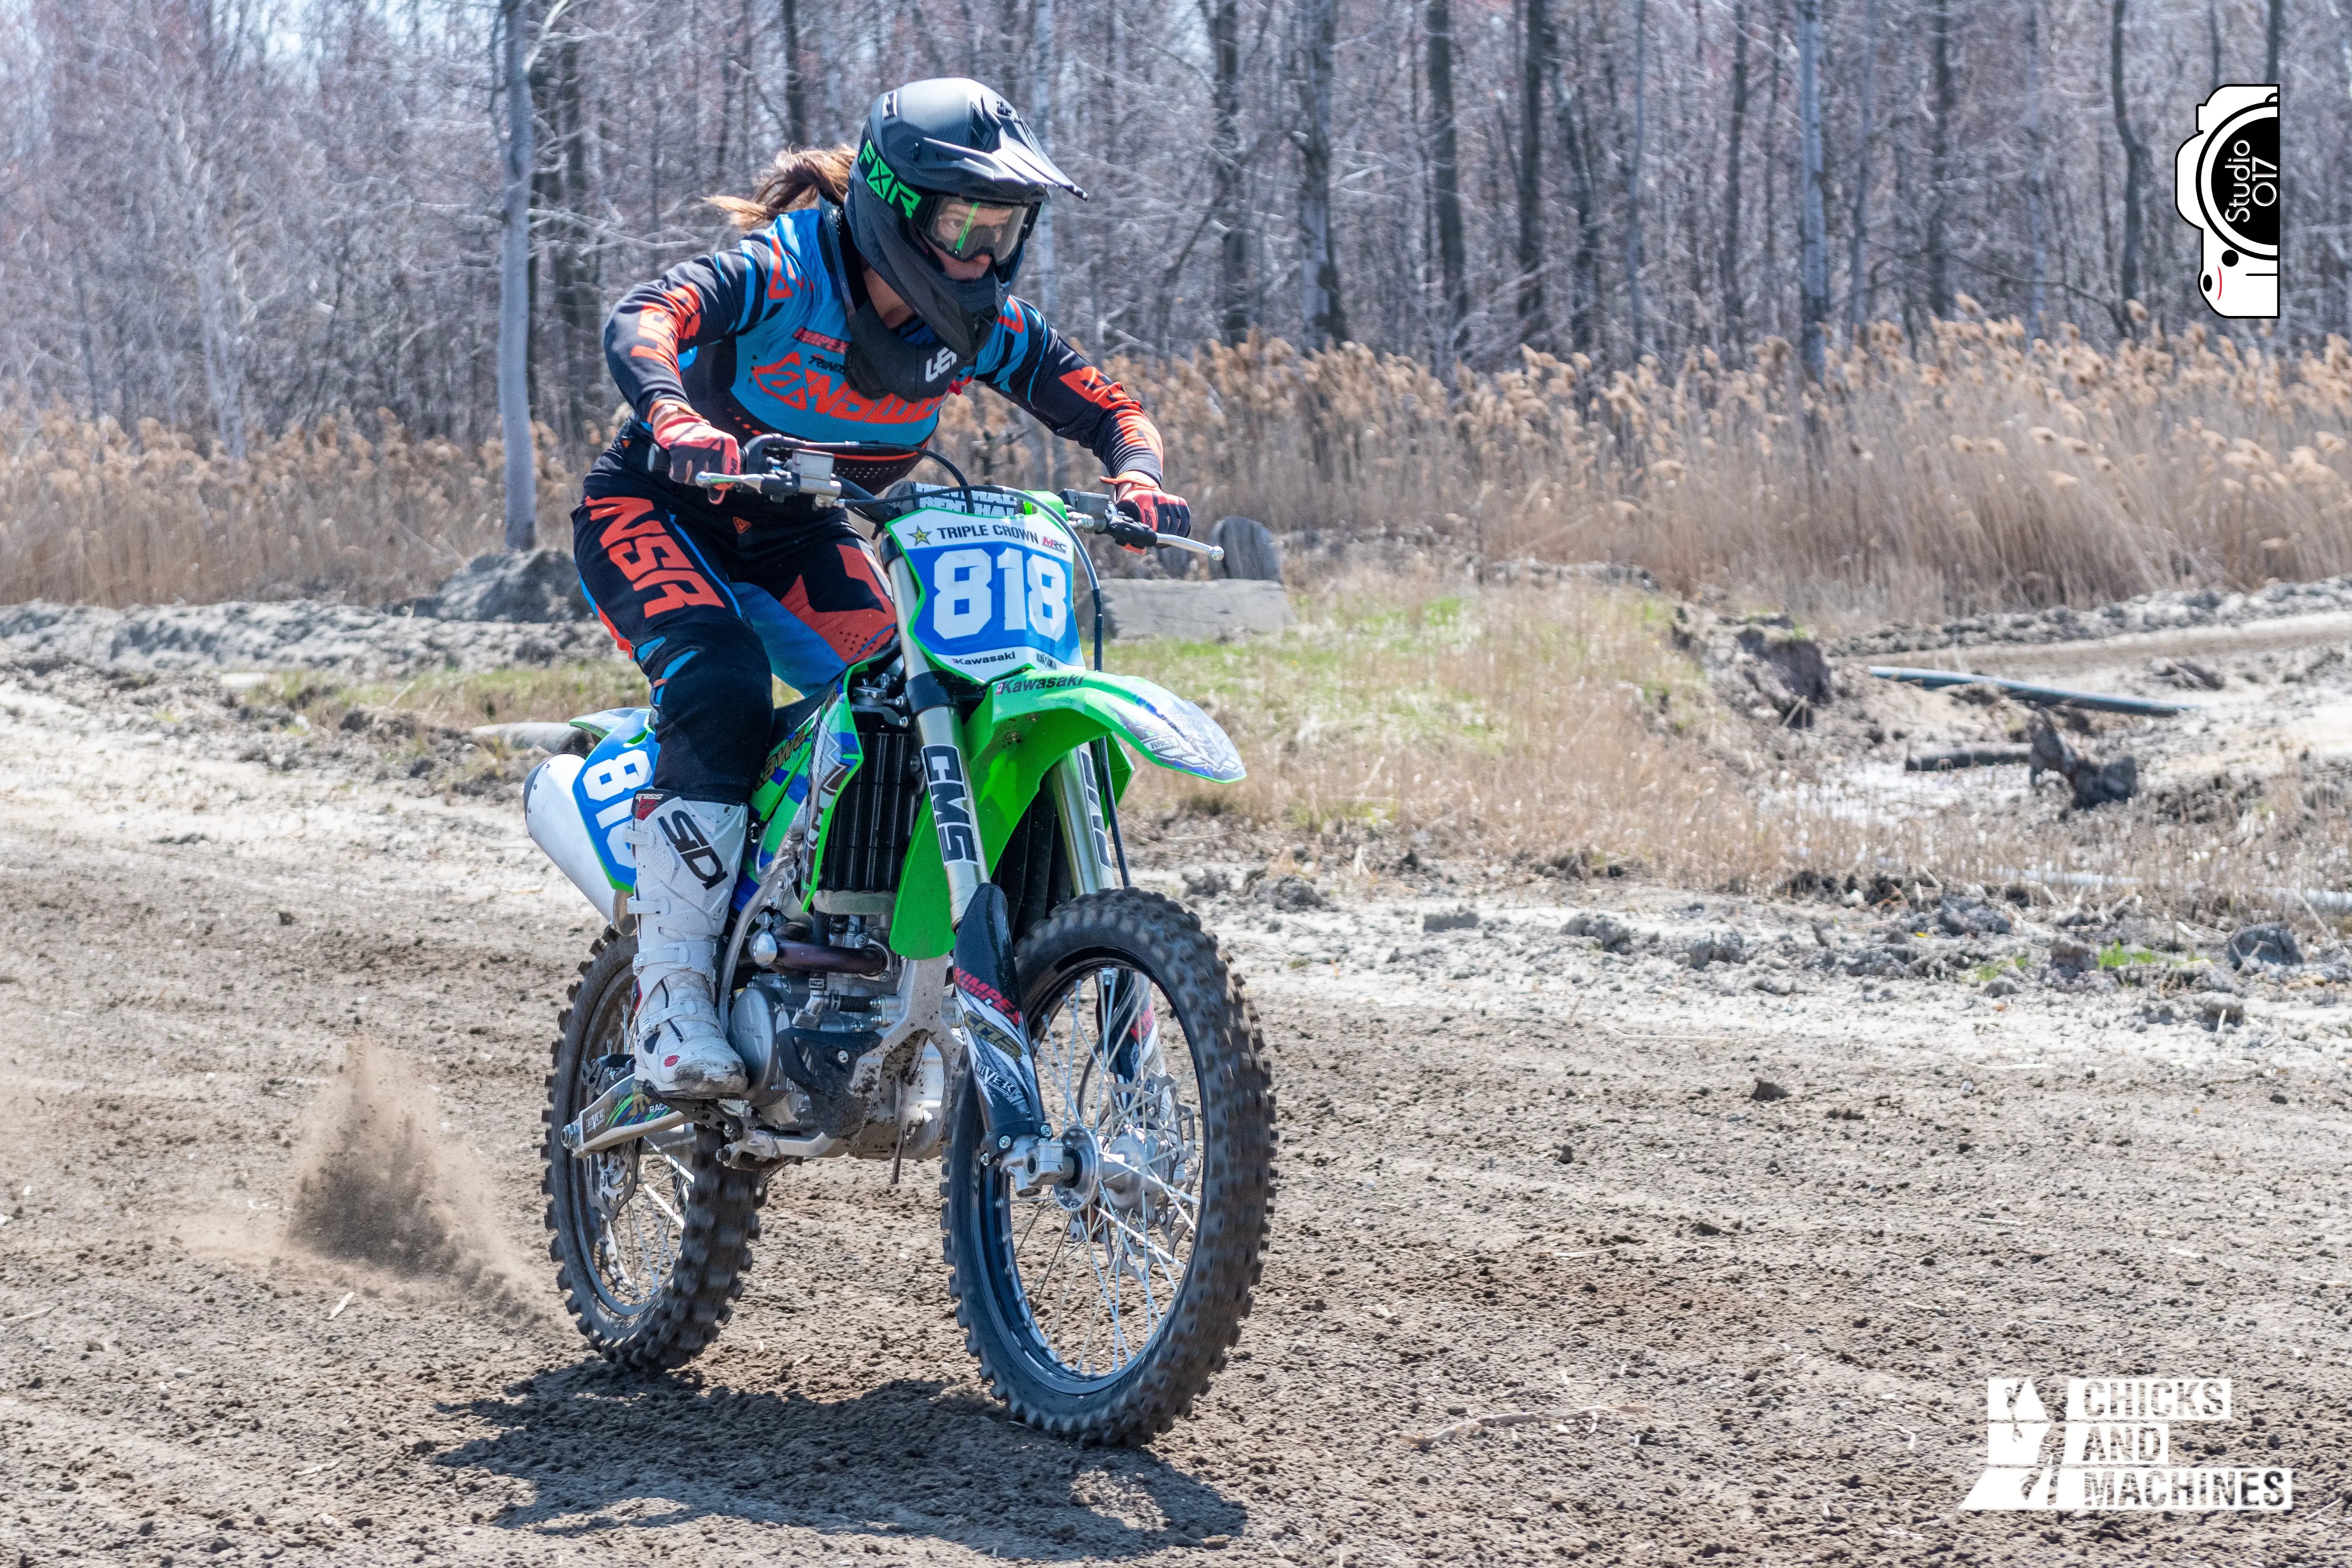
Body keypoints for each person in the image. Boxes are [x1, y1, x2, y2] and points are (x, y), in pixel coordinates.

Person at [576, 78, 1191, 1100]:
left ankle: (848, 955)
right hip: (658, 506)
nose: (987, 254)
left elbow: (1108, 406)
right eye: (968, 222)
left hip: (799, 533)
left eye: (1007, 227)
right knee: (722, 682)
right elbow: (647, 316)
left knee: (912, 699)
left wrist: (1139, 477)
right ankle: (673, 993)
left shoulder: (979, 328)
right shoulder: (786, 269)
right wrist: (677, 418)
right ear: (895, 206)